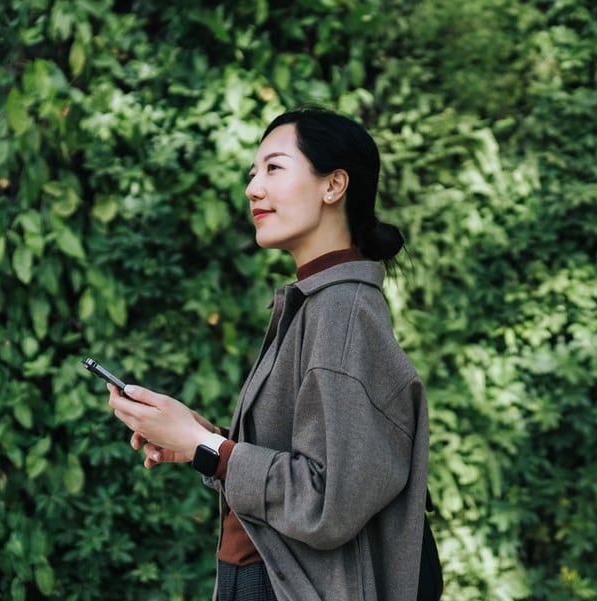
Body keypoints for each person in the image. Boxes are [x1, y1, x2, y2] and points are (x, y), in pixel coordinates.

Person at [106, 107, 432, 600]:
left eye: (274, 168)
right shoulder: (314, 303)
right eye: (252, 173)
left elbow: (329, 501)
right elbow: (304, 464)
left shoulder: (342, 312)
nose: (253, 188)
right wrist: (202, 444)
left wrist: (212, 450)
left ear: (333, 185)